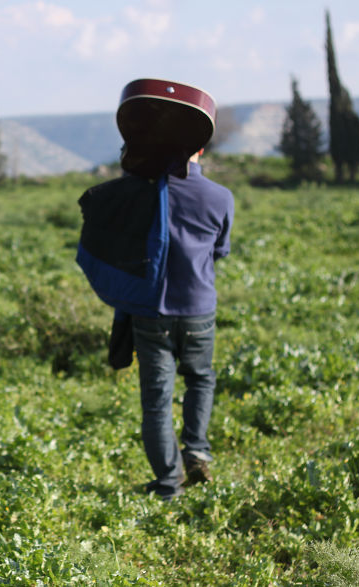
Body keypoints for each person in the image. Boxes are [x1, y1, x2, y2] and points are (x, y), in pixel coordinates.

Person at [133, 148, 233, 499]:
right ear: (201, 147)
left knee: (157, 400)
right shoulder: (221, 196)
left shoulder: (143, 191)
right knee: (200, 379)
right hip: (198, 308)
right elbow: (220, 250)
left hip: (150, 310)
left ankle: (167, 483)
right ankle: (197, 450)